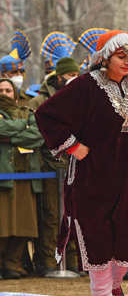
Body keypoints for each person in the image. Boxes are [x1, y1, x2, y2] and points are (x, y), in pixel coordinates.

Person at [35, 30, 128, 296]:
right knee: (96, 234)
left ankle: (115, 286)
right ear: (105, 57)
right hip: (93, 172)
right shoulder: (85, 86)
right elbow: (46, 114)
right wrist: (73, 146)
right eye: (121, 56)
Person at [29, 56, 81, 276]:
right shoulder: (38, 101)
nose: (73, 79)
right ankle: (49, 261)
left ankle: (72, 262)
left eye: (76, 75)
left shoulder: (79, 98)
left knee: (73, 214)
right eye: (70, 75)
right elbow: (34, 131)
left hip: (74, 164)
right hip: (49, 166)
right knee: (52, 215)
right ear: (59, 77)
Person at [0, 78, 44, 279]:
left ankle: (12, 264)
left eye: (8, 90)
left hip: (26, 175)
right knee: (3, 224)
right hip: (3, 177)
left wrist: (9, 138)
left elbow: (38, 135)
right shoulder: (23, 118)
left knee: (24, 224)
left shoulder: (28, 113)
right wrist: (22, 128)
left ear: (15, 94)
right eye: (1, 90)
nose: (4, 93)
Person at [0, 30, 32, 105]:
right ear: (3, 75)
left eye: (21, 71)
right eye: (14, 72)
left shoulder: (31, 99)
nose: (19, 75)